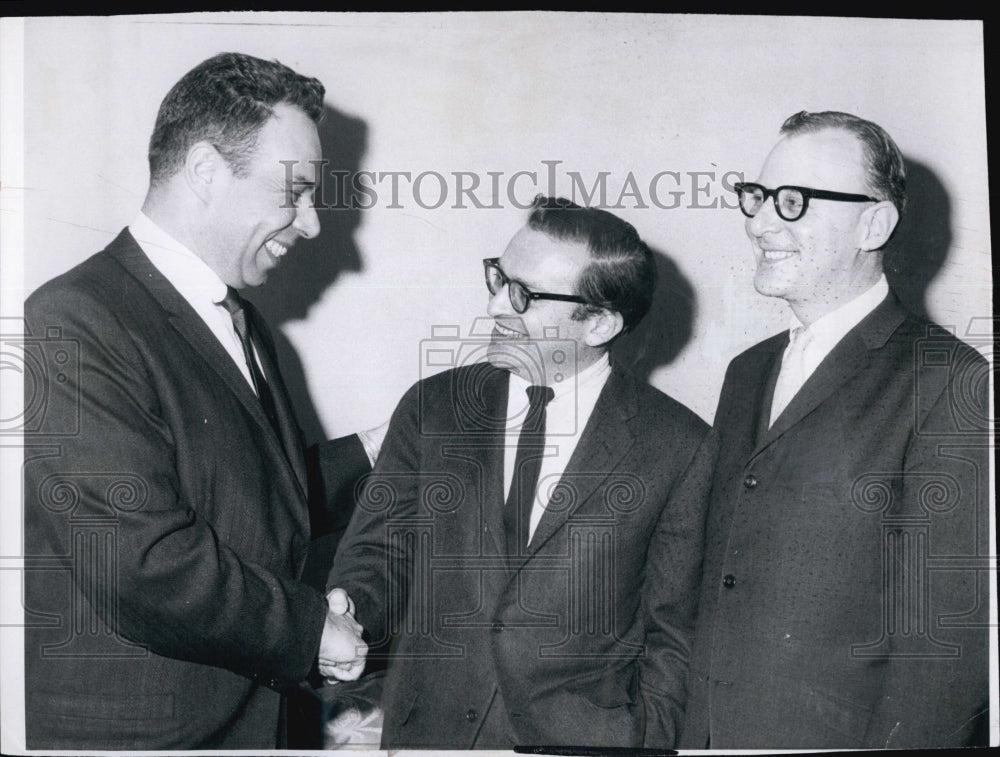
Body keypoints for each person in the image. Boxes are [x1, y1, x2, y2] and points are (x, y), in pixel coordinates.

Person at [22, 52, 377, 749]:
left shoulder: (242, 323)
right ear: (208, 171)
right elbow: (143, 563)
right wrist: (311, 630)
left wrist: (378, 445)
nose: (310, 224)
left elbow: (251, 505)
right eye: (297, 191)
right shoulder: (71, 319)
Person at [326, 196, 713, 749]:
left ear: (599, 323)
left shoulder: (680, 447)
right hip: (430, 736)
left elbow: (674, 635)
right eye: (498, 279)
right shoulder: (431, 408)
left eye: (524, 295)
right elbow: (379, 552)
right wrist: (350, 614)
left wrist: (643, 742)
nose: (495, 308)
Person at [680, 111, 990, 749]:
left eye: (792, 202)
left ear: (873, 223)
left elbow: (943, 653)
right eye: (758, 197)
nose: (760, 222)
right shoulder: (748, 371)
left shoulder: (949, 378)